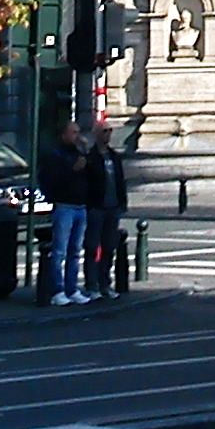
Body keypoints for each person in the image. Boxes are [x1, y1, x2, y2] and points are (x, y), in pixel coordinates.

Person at [38, 120, 91, 306]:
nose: (77, 136)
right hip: (64, 205)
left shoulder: (79, 153)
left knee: (75, 250)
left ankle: (72, 288)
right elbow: (51, 179)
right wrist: (72, 171)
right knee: (59, 249)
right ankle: (57, 289)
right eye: (73, 132)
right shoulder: (56, 155)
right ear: (64, 135)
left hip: (80, 205)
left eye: (78, 132)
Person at [83, 122, 130, 298]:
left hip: (112, 207)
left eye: (110, 131)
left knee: (109, 247)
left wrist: (122, 202)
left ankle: (105, 284)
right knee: (92, 247)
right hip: (97, 207)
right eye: (104, 131)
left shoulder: (114, 157)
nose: (108, 134)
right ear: (96, 134)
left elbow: (120, 181)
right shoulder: (91, 157)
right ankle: (91, 285)